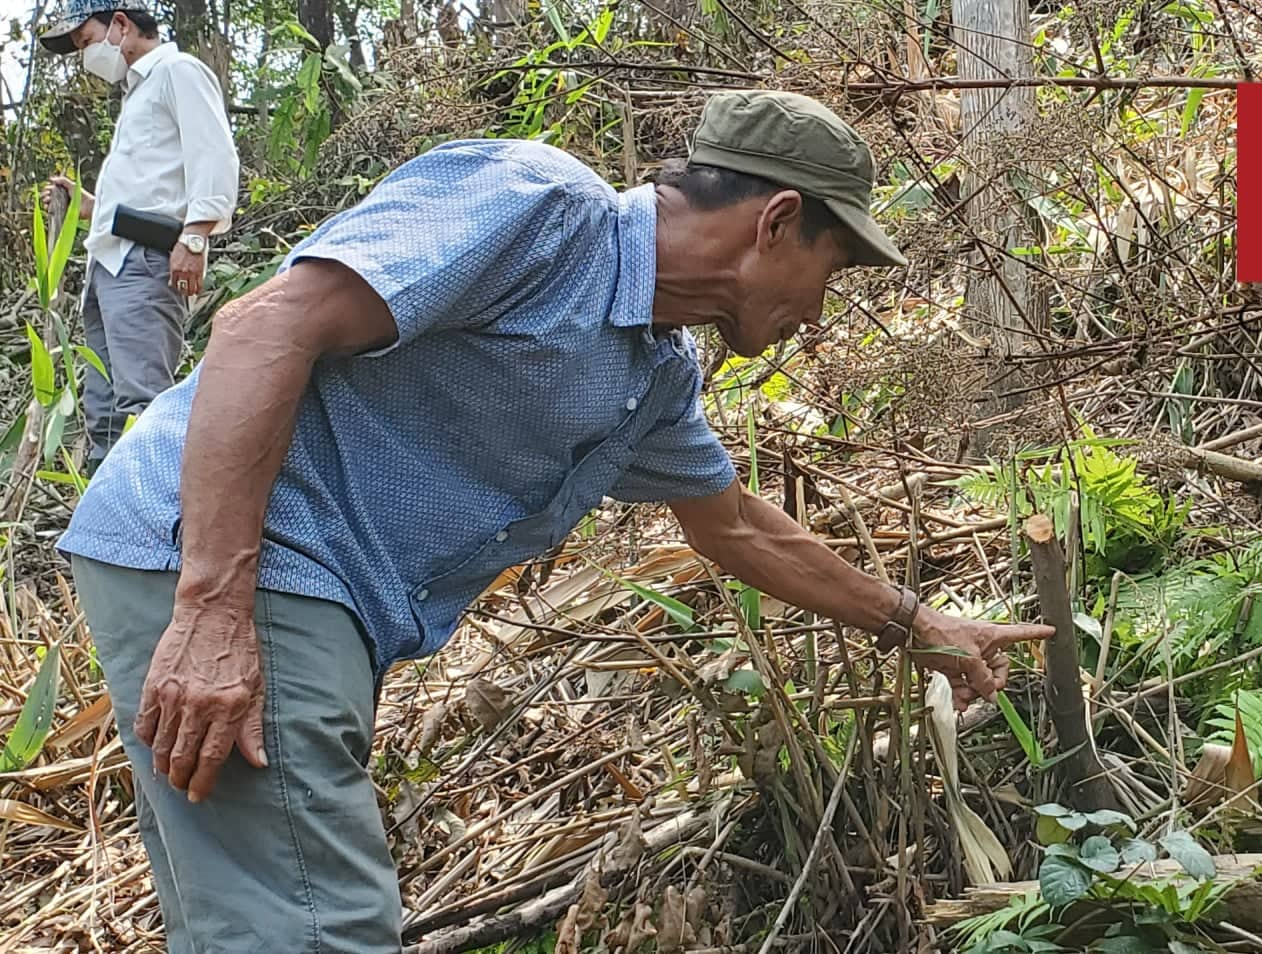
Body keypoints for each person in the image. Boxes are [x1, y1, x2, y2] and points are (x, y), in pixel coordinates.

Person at [58, 90, 1052, 952]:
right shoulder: (534, 208)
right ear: (777, 221)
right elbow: (265, 326)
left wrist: (922, 628)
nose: (822, 314)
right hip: (236, 558)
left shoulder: (650, 376)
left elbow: (735, 528)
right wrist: (215, 606)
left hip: (288, 593)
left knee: (254, 915)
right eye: (831, 273)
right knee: (319, 928)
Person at [39, 0, 239, 476]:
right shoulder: (137, 93)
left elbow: (215, 158)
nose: (86, 57)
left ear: (122, 25)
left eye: (86, 41)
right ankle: (106, 534)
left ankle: (152, 535)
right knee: (105, 413)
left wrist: (194, 240)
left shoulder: (177, 72)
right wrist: (87, 206)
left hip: (146, 263)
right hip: (109, 263)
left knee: (143, 406)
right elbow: (153, 186)